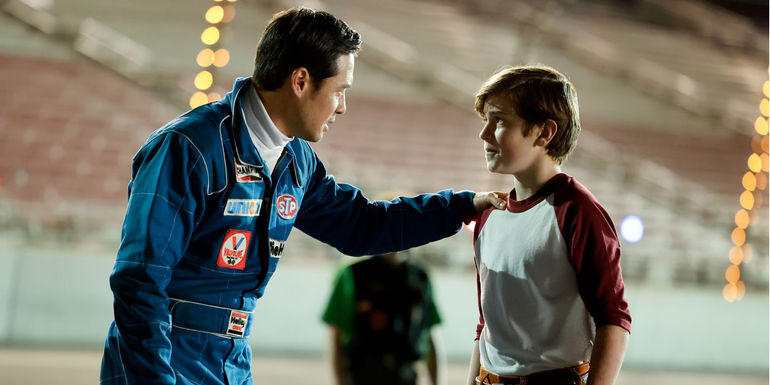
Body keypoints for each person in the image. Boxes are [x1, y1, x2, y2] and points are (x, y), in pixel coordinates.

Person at [99, 7, 506, 385]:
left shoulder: (297, 161)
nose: (342, 107)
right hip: (163, 362)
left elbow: (364, 225)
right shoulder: (189, 147)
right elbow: (140, 278)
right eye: (339, 90)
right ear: (300, 82)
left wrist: (461, 206)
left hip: (230, 364)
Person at [466, 65, 632, 385]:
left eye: (499, 120)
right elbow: (486, 324)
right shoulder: (489, 215)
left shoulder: (577, 212)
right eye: (485, 120)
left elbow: (613, 319)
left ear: (544, 132)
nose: (484, 133)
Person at [322, 240, 442, 385]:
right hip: (363, 373)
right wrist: (340, 381)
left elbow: (429, 335)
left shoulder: (419, 276)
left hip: (407, 374)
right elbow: (336, 334)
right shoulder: (353, 273)